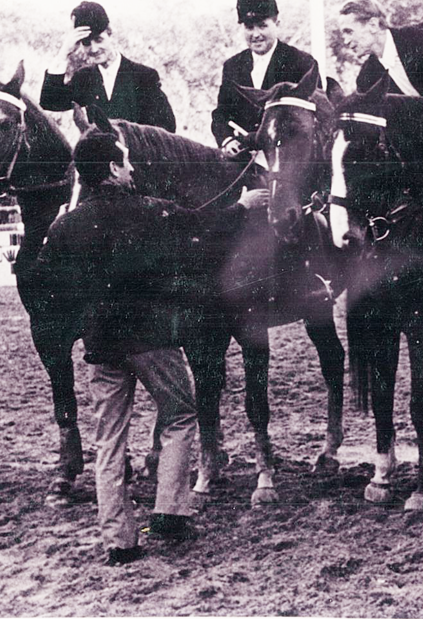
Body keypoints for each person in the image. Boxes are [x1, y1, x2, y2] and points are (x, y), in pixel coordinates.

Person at [34, 130, 267, 565]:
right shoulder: (150, 212)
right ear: (112, 170)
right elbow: (203, 225)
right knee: (180, 414)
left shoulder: (65, 226)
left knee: (108, 441)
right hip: (151, 339)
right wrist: (243, 206)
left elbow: (44, 282)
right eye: (126, 162)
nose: (133, 168)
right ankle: (170, 512)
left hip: (100, 346)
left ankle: (119, 540)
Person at [211, 0, 321, 156]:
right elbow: (221, 114)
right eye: (249, 27)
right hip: (243, 159)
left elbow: (313, 120)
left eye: (262, 26)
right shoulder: (232, 66)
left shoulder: (302, 62)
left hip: (287, 161)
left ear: (277, 24)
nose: (256, 34)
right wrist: (227, 140)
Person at [40, 1, 176, 132]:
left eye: (99, 40)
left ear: (110, 33)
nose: (94, 49)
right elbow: (50, 102)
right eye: (86, 43)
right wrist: (64, 53)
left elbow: (166, 128)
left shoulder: (143, 76)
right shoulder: (85, 77)